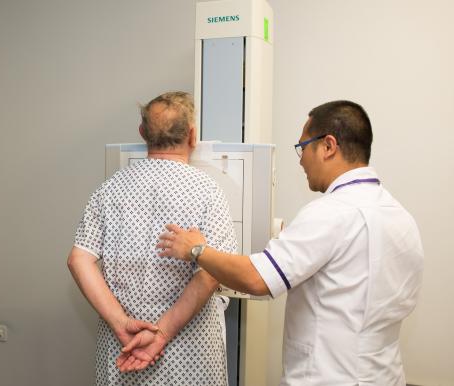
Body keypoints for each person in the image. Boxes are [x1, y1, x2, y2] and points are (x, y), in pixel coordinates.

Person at [156, 100, 424, 385]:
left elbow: (257, 279)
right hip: (385, 376)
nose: (301, 159)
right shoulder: (401, 217)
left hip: (328, 377)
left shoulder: (331, 213)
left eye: (303, 147)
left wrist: (196, 249)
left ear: (328, 146)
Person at [68, 91, 237, 385]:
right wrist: (163, 333)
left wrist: (121, 325)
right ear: (192, 136)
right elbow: (211, 273)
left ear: (143, 132)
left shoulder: (109, 190)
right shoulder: (208, 192)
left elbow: (78, 259)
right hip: (189, 353)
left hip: (124, 347)